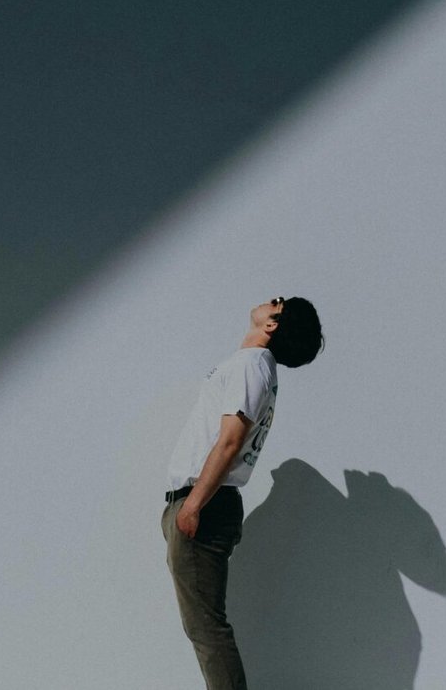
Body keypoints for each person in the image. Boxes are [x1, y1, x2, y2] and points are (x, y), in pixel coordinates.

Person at [162, 295, 325, 690]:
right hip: (202, 503)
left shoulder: (251, 366)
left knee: (207, 630)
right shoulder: (253, 368)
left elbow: (230, 442)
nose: (272, 299)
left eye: (279, 303)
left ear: (272, 324)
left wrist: (193, 505)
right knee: (205, 628)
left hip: (204, 504)